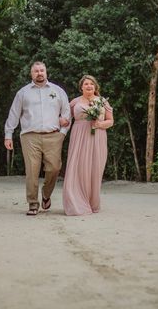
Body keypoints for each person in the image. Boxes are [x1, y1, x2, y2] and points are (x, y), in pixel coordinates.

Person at [4, 61, 70, 216]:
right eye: (36, 71)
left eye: (42, 70)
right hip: (29, 136)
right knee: (32, 171)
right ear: (31, 73)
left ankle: (46, 194)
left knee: (54, 168)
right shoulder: (23, 93)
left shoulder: (58, 91)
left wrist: (63, 132)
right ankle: (33, 203)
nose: (39, 73)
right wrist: (8, 134)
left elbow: (67, 113)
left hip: (53, 135)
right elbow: (14, 114)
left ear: (46, 72)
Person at [62, 75, 113, 216]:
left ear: (96, 87)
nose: (89, 86)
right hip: (79, 137)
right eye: (86, 84)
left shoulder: (102, 102)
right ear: (81, 87)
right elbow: (66, 118)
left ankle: (92, 203)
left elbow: (111, 121)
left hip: (98, 137)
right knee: (76, 167)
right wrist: (61, 123)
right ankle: (75, 203)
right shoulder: (74, 102)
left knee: (94, 169)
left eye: (91, 84)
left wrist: (99, 124)